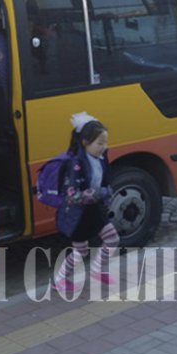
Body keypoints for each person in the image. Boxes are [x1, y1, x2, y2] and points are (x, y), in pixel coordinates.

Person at [53, 112, 120, 293]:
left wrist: (104, 195)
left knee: (112, 238)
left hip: (94, 210)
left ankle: (97, 270)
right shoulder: (76, 164)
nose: (103, 147)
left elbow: (104, 180)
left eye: (105, 143)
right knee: (80, 251)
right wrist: (100, 193)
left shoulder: (99, 159)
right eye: (99, 143)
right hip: (78, 214)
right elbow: (71, 195)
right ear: (85, 142)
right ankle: (59, 279)